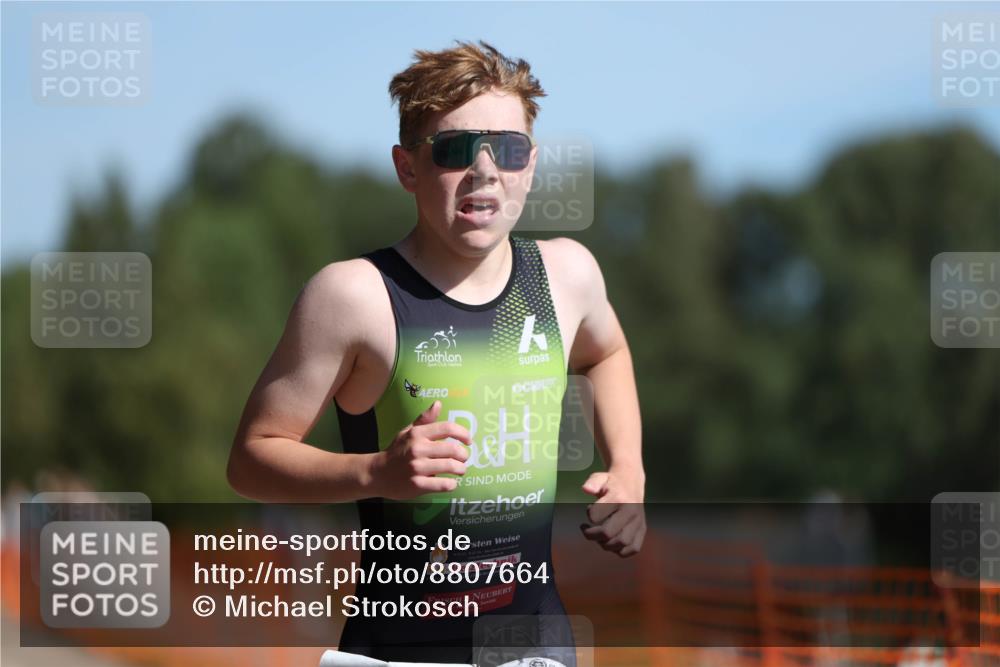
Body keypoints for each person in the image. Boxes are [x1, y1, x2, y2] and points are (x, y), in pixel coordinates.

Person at [227, 39, 646, 664]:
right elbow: (250, 460)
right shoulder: (353, 296)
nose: (484, 171)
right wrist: (375, 474)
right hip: (398, 647)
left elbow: (606, 352)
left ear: (530, 165)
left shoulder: (567, 276)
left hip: (533, 639)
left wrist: (629, 470)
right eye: (453, 150)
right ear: (407, 168)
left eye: (507, 150)